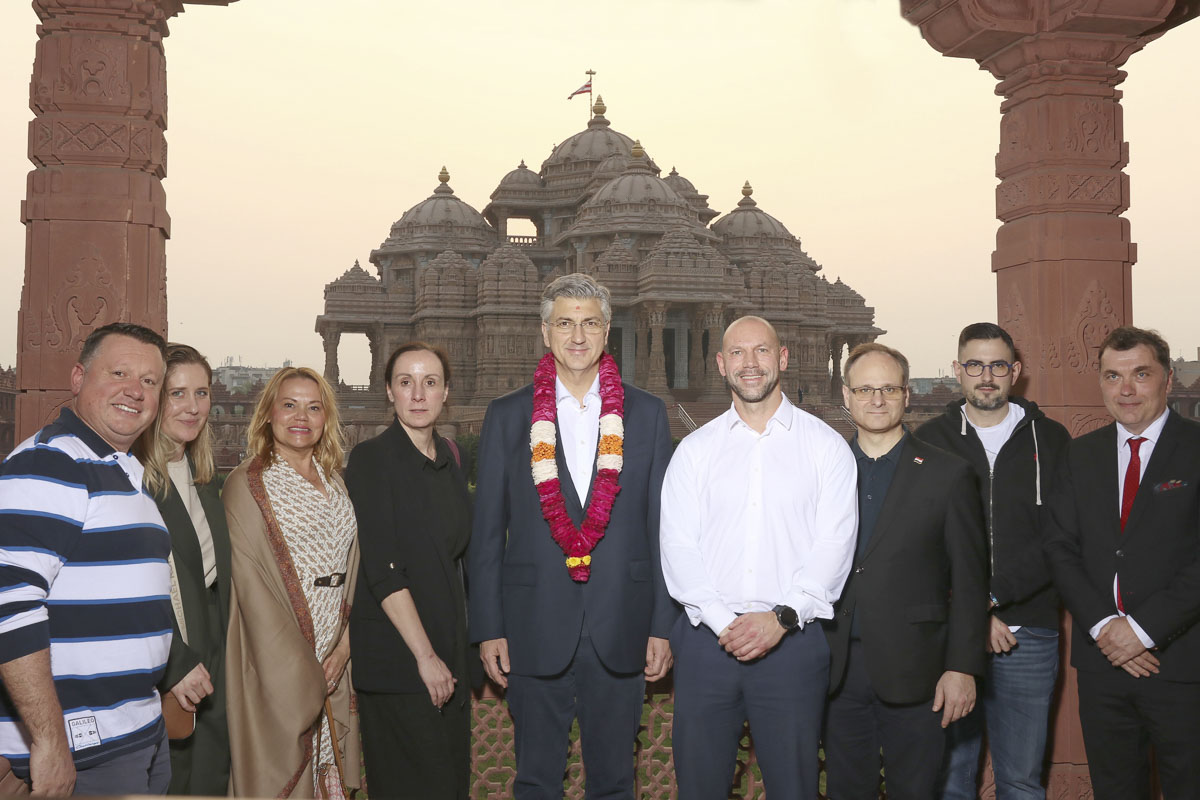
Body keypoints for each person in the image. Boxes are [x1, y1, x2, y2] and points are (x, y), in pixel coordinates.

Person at [467, 273, 676, 799]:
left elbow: (661, 529)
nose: (577, 335)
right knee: (536, 779)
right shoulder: (510, 415)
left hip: (622, 622)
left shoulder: (646, 414)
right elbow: (488, 532)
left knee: (615, 781)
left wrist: (662, 626)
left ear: (607, 332)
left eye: (589, 323)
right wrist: (488, 626)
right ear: (545, 332)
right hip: (532, 624)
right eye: (565, 322)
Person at [659, 315, 858, 799]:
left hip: (793, 640)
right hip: (709, 642)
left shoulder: (825, 447)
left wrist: (781, 618)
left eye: (762, 351)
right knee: (700, 787)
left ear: (782, 359)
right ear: (722, 365)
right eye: (739, 354)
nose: (751, 364)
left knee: (794, 787)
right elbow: (678, 547)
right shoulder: (695, 451)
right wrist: (723, 620)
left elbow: (834, 547)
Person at [0, 321, 171, 795]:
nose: (134, 391)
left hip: (134, 731)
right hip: (81, 749)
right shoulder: (50, 463)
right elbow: (9, 607)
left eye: (150, 382)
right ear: (78, 379)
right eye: (118, 373)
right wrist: (49, 743)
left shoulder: (121, 470)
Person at [823, 342, 988, 800]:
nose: (877, 400)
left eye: (889, 389)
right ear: (847, 395)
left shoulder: (948, 474)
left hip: (919, 669)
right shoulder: (824, 470)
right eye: (865, 389)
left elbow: (971, 583)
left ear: (906, 395)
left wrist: (962, 667)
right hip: (836, 668)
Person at [1044, 326, 1200, 799]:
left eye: (1140, 374)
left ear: (1168, 380)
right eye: (1113, 376)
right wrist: (1105, 628)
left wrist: (1142, 632)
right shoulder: (1079, 454)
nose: (1126, 390)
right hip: (1102, 665)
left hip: (1180, 664)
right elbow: (1058, 548)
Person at [917, 323, 1070, 800]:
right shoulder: (928, 441)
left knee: (1022, 779)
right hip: (948, 636)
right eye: (975, 365)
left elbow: (1061, 539)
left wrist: (989, 598)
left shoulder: (1051, 440)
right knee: (950, 779)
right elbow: (920, 544)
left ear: (1015, 371)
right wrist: (968, 613)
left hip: (1029, 630)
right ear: (957, 370)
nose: (987, 376)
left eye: (998, 365)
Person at [223, 367, 361, 798]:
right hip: (278, 657)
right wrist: (301, 668)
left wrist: (343, 647)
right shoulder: (248, 484)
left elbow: (354, 567)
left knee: (329, 773)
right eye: (289, 405)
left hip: (336, 645)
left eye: (313, 407)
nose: (301, 416)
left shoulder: (335, 480)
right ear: (268, 414)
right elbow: (250, 587)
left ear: (326, 418)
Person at [345, 342, 472, 799]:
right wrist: (425, 657)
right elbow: (383, 568)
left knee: (449, 785)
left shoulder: (449, 460)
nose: (418, 394)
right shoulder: (371, 460)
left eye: (430, 382)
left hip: (447, 656)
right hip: (403, 660)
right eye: (406, 382)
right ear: (390, 393)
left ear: (445, 393)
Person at [136, 343, 232, 796]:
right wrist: (176, 661)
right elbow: (129, 587)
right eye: (177, 394)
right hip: (167, 660)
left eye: (202, 392)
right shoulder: (134, 479)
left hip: (213, 645)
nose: (192, 407)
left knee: (209, 778)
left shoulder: (203, 476)